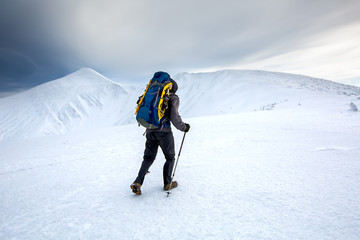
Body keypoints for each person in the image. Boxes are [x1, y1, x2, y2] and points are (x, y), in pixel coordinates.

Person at [131, 74, 190, 195]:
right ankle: (168, 183)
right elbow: (174, 117)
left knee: (148, 158)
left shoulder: (153, 94)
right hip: (164, 133)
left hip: (150, 130)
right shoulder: (173, 97)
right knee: (170, 157)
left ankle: (137, 183)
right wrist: (184, 127)